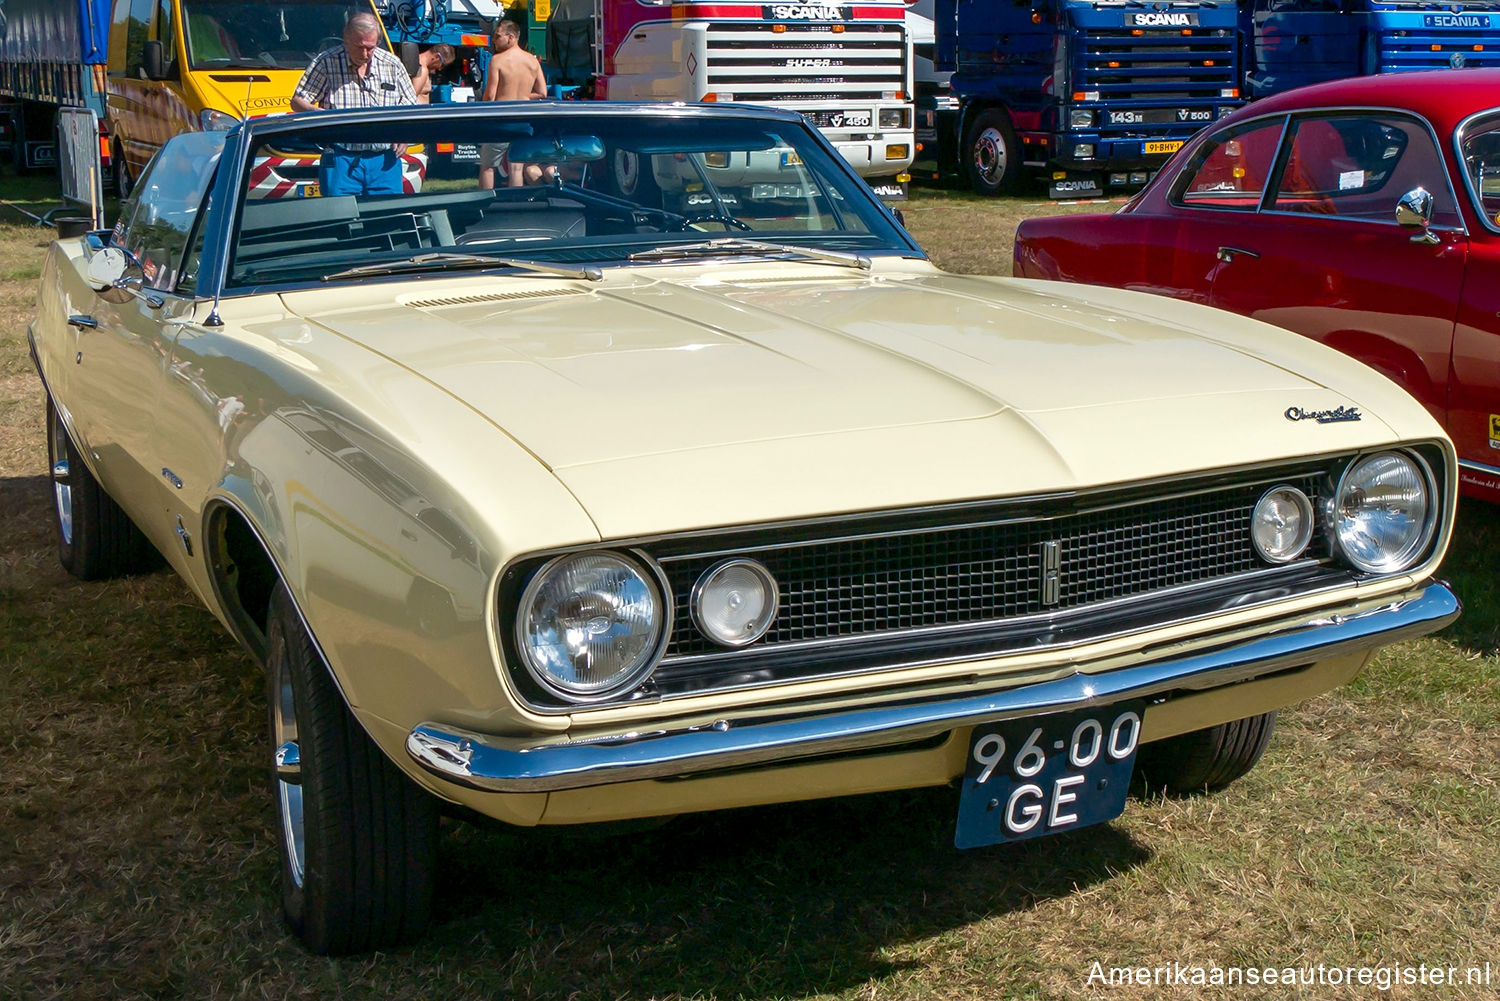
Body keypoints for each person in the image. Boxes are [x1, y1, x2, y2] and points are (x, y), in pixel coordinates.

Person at [290, 12, 417, 196]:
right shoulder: (327, 62)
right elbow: (297, 101)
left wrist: (404, 134)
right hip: (341, 158)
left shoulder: (392, 64)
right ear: (346, 40)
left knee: (388, 219)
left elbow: (410, 106)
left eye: (371, 48)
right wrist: (319, 114)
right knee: (342, 220)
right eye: (359, 47)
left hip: (385, 161)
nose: (365, 54)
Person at [478, 20, 548, 189]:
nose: (493, 40)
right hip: (523, 120)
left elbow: (490, 96)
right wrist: (523, 96)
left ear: (510, 37)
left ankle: (484, 204)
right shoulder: (532, 61)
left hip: (501, 120)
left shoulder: (497, 60)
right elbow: (542, 93)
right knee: (516, 167)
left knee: (487, 166)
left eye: (497, 36)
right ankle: (516, 203)